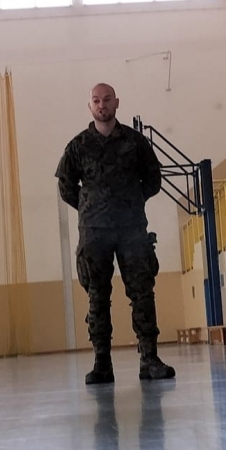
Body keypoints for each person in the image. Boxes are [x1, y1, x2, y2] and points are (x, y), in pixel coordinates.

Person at [56, 83, 175, 384]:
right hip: (94, 232)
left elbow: (153, 179)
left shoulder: (135, 142)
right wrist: (91, 207)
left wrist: (130, 202)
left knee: (142, 293)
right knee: (97, 296)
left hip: (131, 229)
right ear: (90, 106)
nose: (102, 105)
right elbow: (66, 186)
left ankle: (149, 359)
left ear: (116, 102)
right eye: (96, 101)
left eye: (107, 99)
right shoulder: (78, 146)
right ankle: (102, 363)